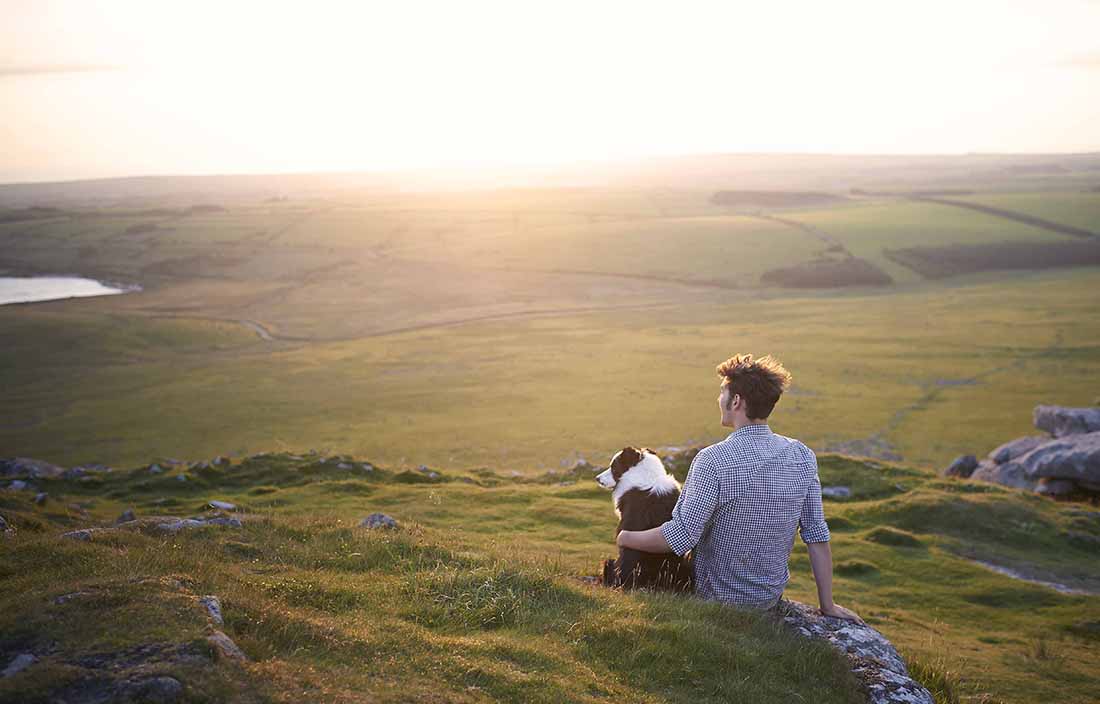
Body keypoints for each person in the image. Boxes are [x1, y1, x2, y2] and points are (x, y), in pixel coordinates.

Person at [616, 353, 861, 621]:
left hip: (713, 598)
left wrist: (625, 536)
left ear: (736, 401)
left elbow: (681, 537)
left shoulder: (713, 460)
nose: (718, 399)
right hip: (767, 599)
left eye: (722, 392)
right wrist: (828, 605)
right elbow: (816, 534)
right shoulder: (802, 455)